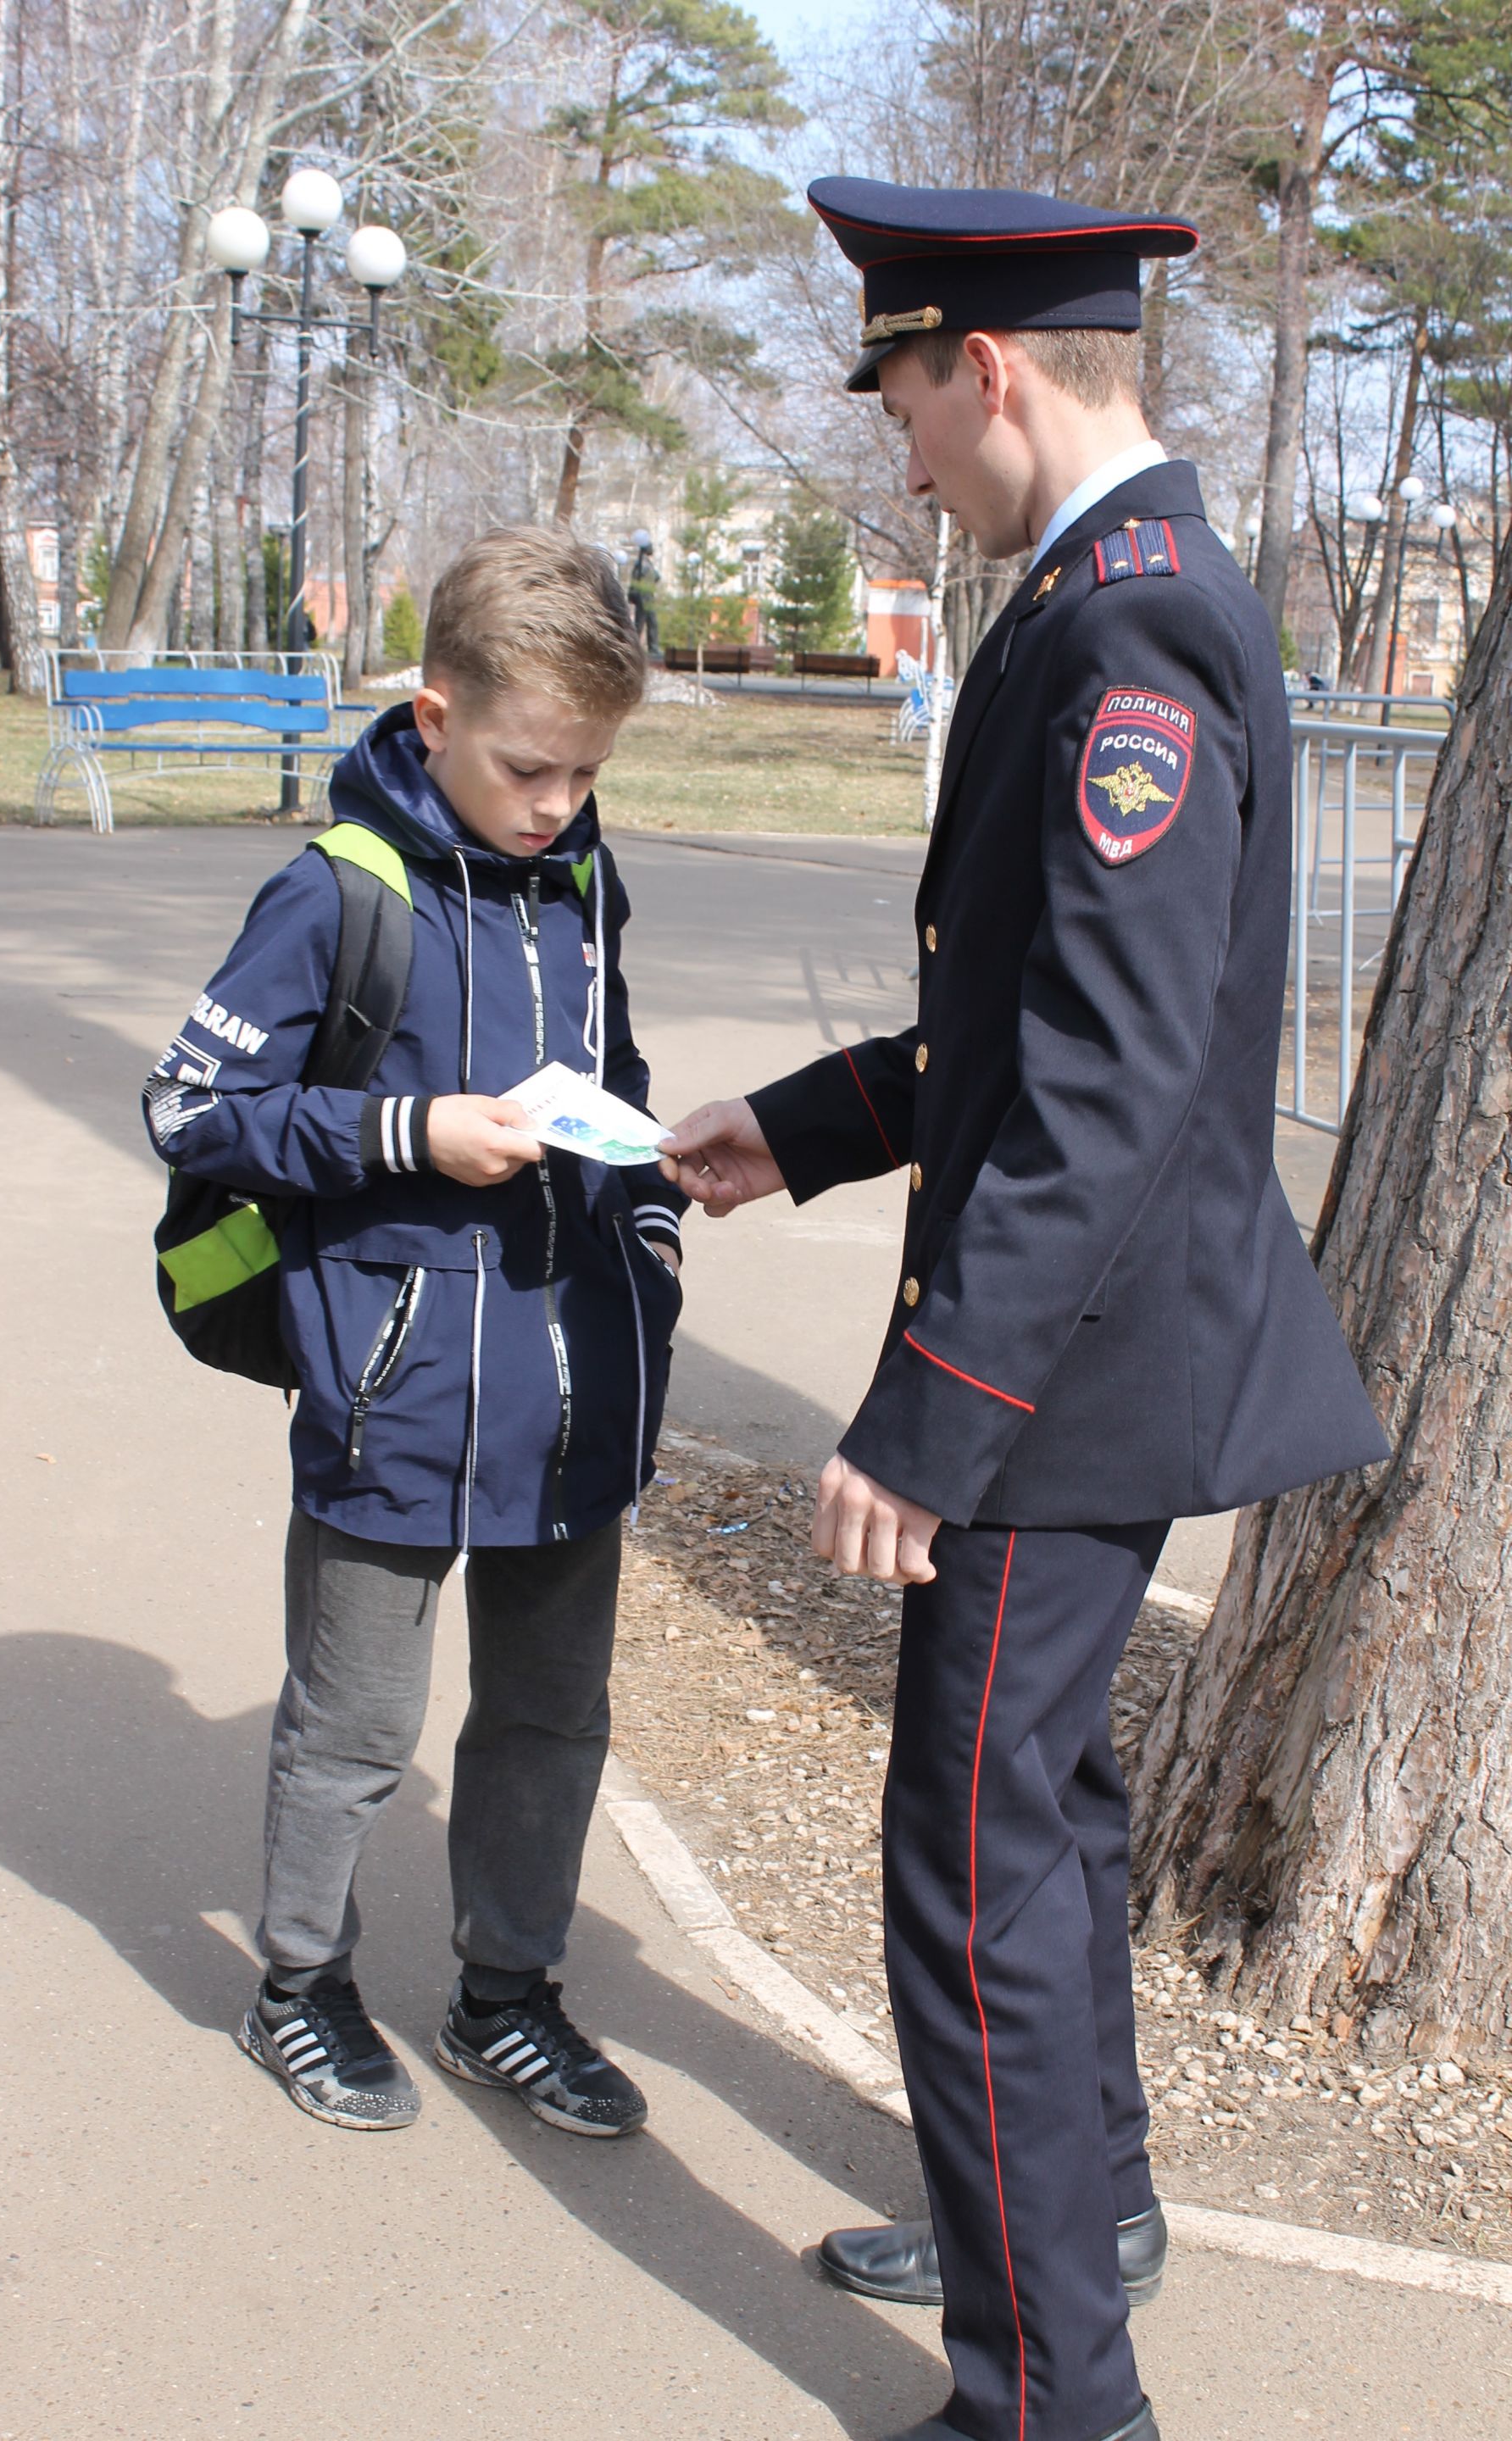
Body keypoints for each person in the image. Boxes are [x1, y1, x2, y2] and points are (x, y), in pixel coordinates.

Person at [660, 178, 1387, 2441]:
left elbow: (1103, 1084)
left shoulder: (1131, 628)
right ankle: (1084, 2221)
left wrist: (929, 1416)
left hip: (1062, 1378)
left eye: (898, 402)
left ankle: (1053, 2398)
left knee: (972, 1875)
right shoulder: (1105, 593)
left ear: (984, 368)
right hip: (1088, 1353)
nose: (898, 459)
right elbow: (1020, 1020)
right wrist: (801, 1121)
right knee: (1050, 1824)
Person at [143, 525, 685, 2139]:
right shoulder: (339, 892)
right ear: (435, 713)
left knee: (549, 1720)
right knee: (359, 1723)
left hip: (575, 1387)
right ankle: (299, 1984)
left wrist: (646, 1210)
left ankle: (506, 1999)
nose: (557, 804)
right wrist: (407, 1137)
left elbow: (622, 1072)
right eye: (529, 767)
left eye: (586, 773)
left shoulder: (586, 875)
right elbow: (191, 1106)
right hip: (394, 1395)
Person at [626, 528, 661, 658]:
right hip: (643, 596)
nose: (652, 547)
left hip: (648, 596)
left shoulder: (647, 563)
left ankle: (653, 647)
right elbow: (636, 578)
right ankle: (633, 647)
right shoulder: (640, 563)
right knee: (640, 623)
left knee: (652, 622)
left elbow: (655, 577)